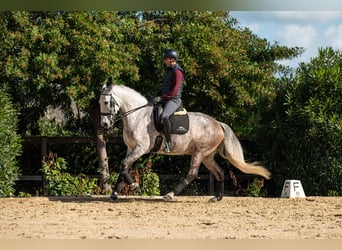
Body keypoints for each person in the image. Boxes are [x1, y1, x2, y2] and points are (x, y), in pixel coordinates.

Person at [153, 49, 185, 153]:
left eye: (166, 59)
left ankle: (169, 143)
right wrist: (156, 95)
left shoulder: (177, 72)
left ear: (172, 59)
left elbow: (175, 91)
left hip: (174, 100)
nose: (164, 61)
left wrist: (162, 98)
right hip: (166, 98)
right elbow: (165, 88)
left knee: (164, 116)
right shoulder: (169, 71)